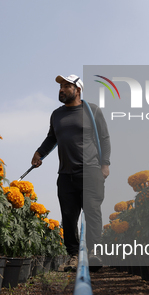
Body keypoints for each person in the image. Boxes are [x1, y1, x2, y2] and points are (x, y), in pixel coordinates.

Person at [31, 74, 111, 272]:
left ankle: (93, 254)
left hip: (91, 171)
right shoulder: (56, 115)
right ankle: (74, 256)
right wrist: (39, 152)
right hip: (65, 174)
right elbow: (52, 137)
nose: (62, 89)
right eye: (60, 86)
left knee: (92, 213)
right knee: (68, 216)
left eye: (67, 86)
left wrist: (105, 164)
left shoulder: (92, 110)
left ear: (78, 89)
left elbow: (104, 138)